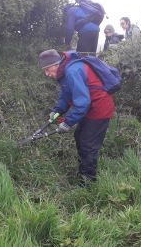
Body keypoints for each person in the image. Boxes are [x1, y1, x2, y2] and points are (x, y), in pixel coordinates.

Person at [38, 49, 115, 186]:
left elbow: (83, 103)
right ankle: (83, 172)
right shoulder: (66, 71)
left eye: (47, 69)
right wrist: (57, 111)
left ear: (56, 64)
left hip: (99, 109)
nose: (47, 74)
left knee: (88, 144)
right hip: (90, 108)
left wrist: (67, 122)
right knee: (79, 136)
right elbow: (67, 95)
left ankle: (87, 184)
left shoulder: (72, 71)